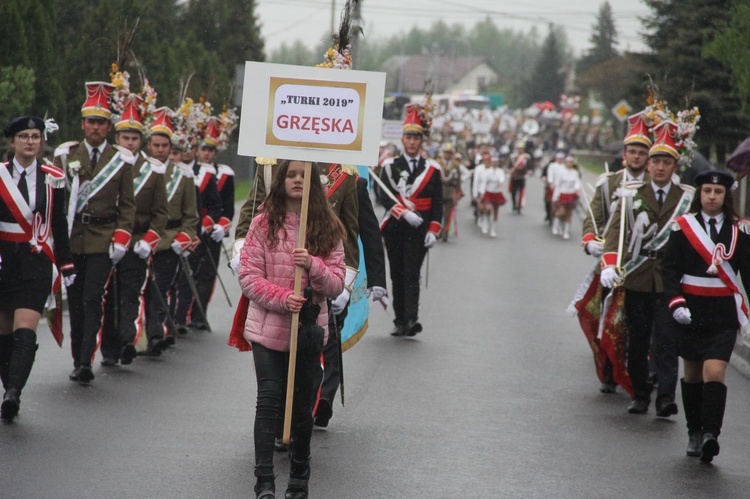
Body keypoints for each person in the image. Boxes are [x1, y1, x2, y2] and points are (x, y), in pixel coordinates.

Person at [237, 159, 345, 499]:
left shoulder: (327, 227)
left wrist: (312, 265)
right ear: (280, 180)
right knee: (268, 400)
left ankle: (299, 477)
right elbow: (249, 278)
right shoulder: (261, 224)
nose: (297, 180)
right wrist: (284, 298)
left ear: (313, 182)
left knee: (301, 407)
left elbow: (336, 284)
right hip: (267, 329)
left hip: (308, 334)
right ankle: (264, 481)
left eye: (304, 175)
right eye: (291, 174)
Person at [600, 120, 695, 416]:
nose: (659, 167)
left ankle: (665, 397)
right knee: (638, 340)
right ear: (649, 165)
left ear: (674, 166)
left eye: (666, 162)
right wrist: (609, 263)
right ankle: (640, 393)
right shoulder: (630, 194)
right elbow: (615, 234)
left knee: (666, 341)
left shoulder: (687, 198)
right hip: (638, 277)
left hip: (670, 280)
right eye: (656, 161)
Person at [662, 169, 750, 463]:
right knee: (692, 373)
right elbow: (670, 270)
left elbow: (747, 275)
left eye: (718, 192)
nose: (712, 197)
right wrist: (676, 303)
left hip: (722, 314)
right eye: (707, 191)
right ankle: (693, 431)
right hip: (690, 310)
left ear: (727, 196)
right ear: (699, 194)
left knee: (715, 371)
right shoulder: (682, 227)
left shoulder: (740, 231)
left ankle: (711, 434)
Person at [54, 81, 136, 383]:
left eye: (101, 122)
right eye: (91, 121)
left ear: (108, 126)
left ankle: (87, 359)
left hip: (104, 238)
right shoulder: (65, 155)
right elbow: (55, 202)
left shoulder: (121, 160)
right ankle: (79, 358)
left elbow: (127, 206)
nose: (96, 127)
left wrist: (122, 237)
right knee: (75, 302)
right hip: (73, 238)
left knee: (92, 298)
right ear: (82, 124)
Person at [0, 116, 74, 421]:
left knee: (25, 328)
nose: (30, 141)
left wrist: (67, 264)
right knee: (4, 333)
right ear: (12, 142)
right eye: (24, 136)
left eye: (35, 136)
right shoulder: (1, 175)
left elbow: (59, 223)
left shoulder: (53, 177)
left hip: (36, 262)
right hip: (4, 261)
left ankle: (14, 392)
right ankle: (9, 388)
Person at [575, 111, 652, 394]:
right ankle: (609, 370)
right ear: (624, 154)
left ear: (648, 156)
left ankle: (641, 370)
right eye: (632, 151)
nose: (636, 156)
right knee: (606, 318)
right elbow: (593, 216)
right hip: (612, 262)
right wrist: (589, 241)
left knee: (639, 322)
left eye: (641, 152)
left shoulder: (653, 186)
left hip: (642, 265)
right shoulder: (608, 183)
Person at [100, 90, 168, 366]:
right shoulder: (105, 165)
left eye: (134, 138)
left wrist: (149, 240)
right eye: (125, 137)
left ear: (142, 141)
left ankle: (127, 340)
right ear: (116, 138)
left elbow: (160, 213)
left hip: (136, 241)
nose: (129, 142)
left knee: (129, 293)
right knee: (107, 298)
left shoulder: (152, 170)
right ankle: (108, 348)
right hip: (104, 240)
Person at [379, 103, 443, 337]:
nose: (412, 142)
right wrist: (402, 212)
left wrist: (434, 230)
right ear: (402, 140)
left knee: (412, 273)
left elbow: (437, 203)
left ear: (421, 141)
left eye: (416, 138)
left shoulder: (432, 169)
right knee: (397, 273)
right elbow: (383, 196)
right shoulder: (389, 166)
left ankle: (411, 319)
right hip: (395, 228)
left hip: (419, 230)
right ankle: (399, 320)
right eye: (408, 137)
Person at [142, 108, 198, 355]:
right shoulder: (138, 171)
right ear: (149, 144)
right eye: (156, 144)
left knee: (159, 288)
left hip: (168, 241)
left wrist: (182, 239)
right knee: (141, 290)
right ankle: (139, 336)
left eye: (165, 145)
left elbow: (190, 216)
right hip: (141, 240)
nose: (160, 150)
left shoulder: (183, 175)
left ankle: (156, 334)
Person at [172, 112, 222, 332]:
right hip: (168, 230)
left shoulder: (206, 174)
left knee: (190, 275)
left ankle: (182, 317)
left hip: (194, 231)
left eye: (190, 147)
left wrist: (207, 224)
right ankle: (167, 319)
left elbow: (217, 206)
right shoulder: (169, 170)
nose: (186, 152)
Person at [474, 154, 506, 238]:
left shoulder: (500, 171)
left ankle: (493, 229)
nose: (495, 164)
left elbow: (502, 178)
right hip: (488, 192)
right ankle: (485, 222)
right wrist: (482, 193)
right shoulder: (487, 171)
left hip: (497, 192)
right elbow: (484, 182)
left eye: (496, 162)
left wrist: (500, 182)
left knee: (495, 211)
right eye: (493, 162)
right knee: (488, 209)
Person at [551, 155, 581, 240]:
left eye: (571, 162)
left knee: (569, 213)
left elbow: (577, 182)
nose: (569, 164)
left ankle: (566, 231)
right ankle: (556, 225)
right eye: (568, 162)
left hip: (570, 194)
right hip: (562, 194)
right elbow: (558, 184)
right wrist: (556, 196)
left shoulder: (575, 173)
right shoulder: (561, 172)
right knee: (561, 212)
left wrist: (577, 189)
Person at [437, 142, 463, 241]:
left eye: (449, 153)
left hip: (449, 191)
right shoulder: (438, 163)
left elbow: (458, 179)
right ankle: (438, 231)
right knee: (439, 213)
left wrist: (458, 191)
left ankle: (445, 233)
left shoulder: (455, 164)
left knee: (447, 214)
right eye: (446, 152)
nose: (448, 155)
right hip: (439, 191)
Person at [542, 151, 566, 224]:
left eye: (561, 158)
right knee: (548, 200)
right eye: (558, 158)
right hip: (552, 185)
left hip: (562, 187)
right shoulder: (551, 165)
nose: (560, 160)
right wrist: (551, 183)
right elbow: (549, 175)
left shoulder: (564, 166)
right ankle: (549, 214)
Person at [508, 140, 531, 213]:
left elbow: (530, 167)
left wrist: (527, 174)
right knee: (513, 192)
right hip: (514, 176)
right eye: (519, 148)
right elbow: (509, 166)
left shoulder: (526, 157)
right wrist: (511, 171)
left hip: (522, 177)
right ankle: (514, 204)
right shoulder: (513, 157)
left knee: (521, 192)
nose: (520, 150)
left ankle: (519, 206)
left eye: (522, 148)